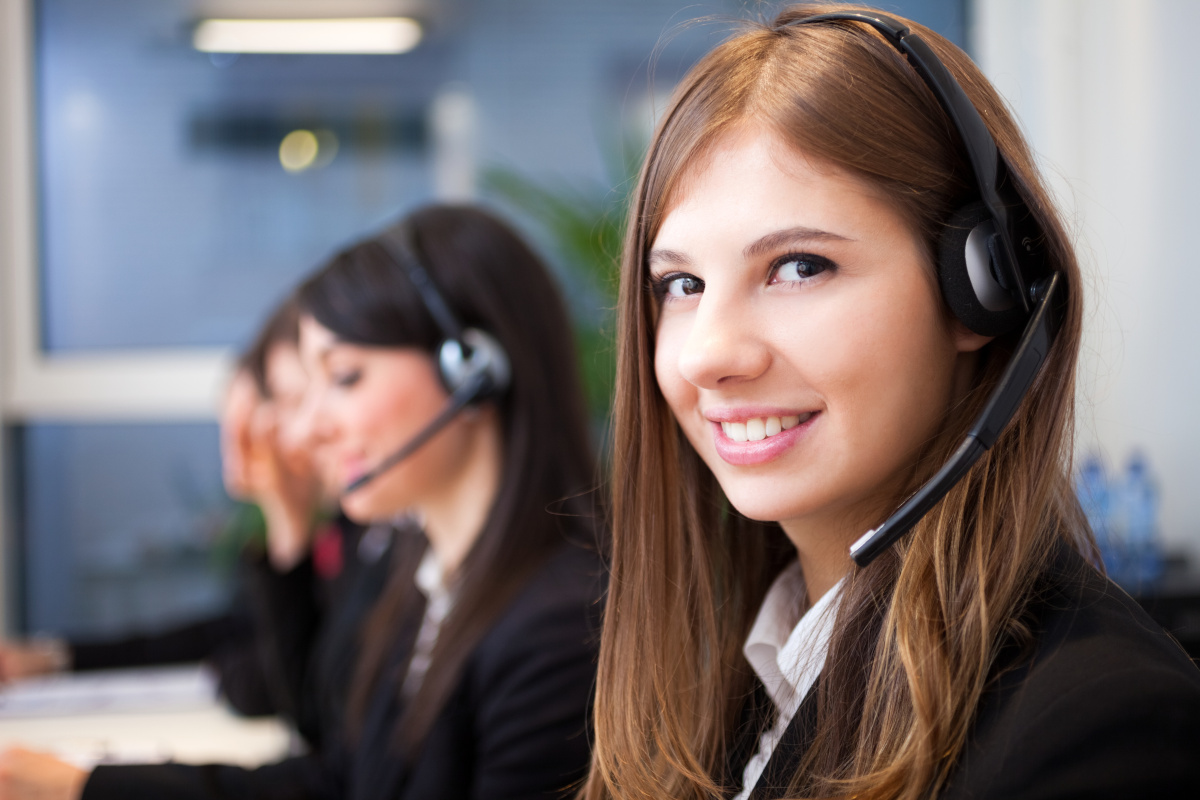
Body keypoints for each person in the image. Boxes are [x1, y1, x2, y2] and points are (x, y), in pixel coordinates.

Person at [581, 5, 1200, 800]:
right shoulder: (746, 690)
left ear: (984, 291)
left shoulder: (1100, 726)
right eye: (682, 285)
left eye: (799, 267)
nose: (708, 354)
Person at [0, 204, 603, 800]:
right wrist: (83, 785)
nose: (308, 429)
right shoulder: (426, 580)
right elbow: (337, 780)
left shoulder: (556, 633)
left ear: (473, 373)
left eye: (343, 378)